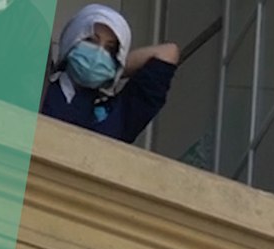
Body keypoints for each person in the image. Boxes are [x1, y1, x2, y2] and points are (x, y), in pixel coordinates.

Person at [41, 4, 179, 144]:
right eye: (91, 41)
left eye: (110, 49)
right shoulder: (38, 86)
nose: (98, 54)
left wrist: (115, 72)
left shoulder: (115, 115)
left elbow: (168, 53)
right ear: (71, 40)